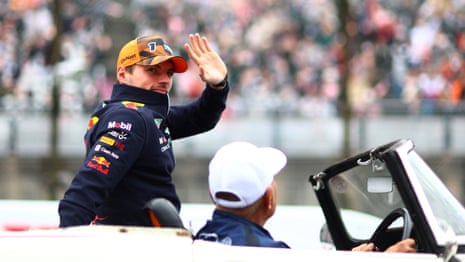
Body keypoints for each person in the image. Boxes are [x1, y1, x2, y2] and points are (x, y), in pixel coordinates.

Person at [58, 33, 229, 227]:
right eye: (153, 70)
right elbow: (85, 190)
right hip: (136, 245)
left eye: (169, 73)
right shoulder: (130, 118)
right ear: (123, 74)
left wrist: (218, 86)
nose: (165, 79)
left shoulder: (144, 114)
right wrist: (67, 243)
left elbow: (200, 118)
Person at [194, 142, 416, 252]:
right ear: (268, 197)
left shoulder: (199, 241)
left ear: (213, 196)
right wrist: (389, 258)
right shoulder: (267, 252)